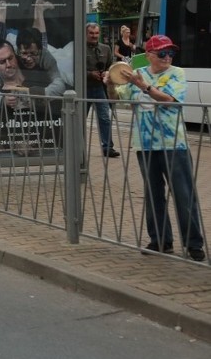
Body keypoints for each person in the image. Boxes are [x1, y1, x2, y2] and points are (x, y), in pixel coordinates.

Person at [107, 35, 205, 261]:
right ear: (149, 55)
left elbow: (169, 99)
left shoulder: (177, 73)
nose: (168, 57)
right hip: (145, 145)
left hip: (174, 144)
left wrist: (144, 86)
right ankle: (160, 240)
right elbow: (116, 100)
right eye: (162, 53)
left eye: (171, 53)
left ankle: (194, 244)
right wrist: (111, 83)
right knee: (153, 195)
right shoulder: (137, 76)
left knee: (184, 195)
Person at [85, 23, 119, 158]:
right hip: (84, 88)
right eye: (91, 33)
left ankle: (108, 148)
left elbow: (111, 67)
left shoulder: (106, 48)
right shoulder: (79, 48)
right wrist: (89, 74)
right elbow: (74, 69)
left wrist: (106, 73)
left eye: (96, 33)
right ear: (86, 34)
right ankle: (77, 146)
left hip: (100, 88)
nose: (94, 36)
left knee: (105, 117)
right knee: (80, 118)